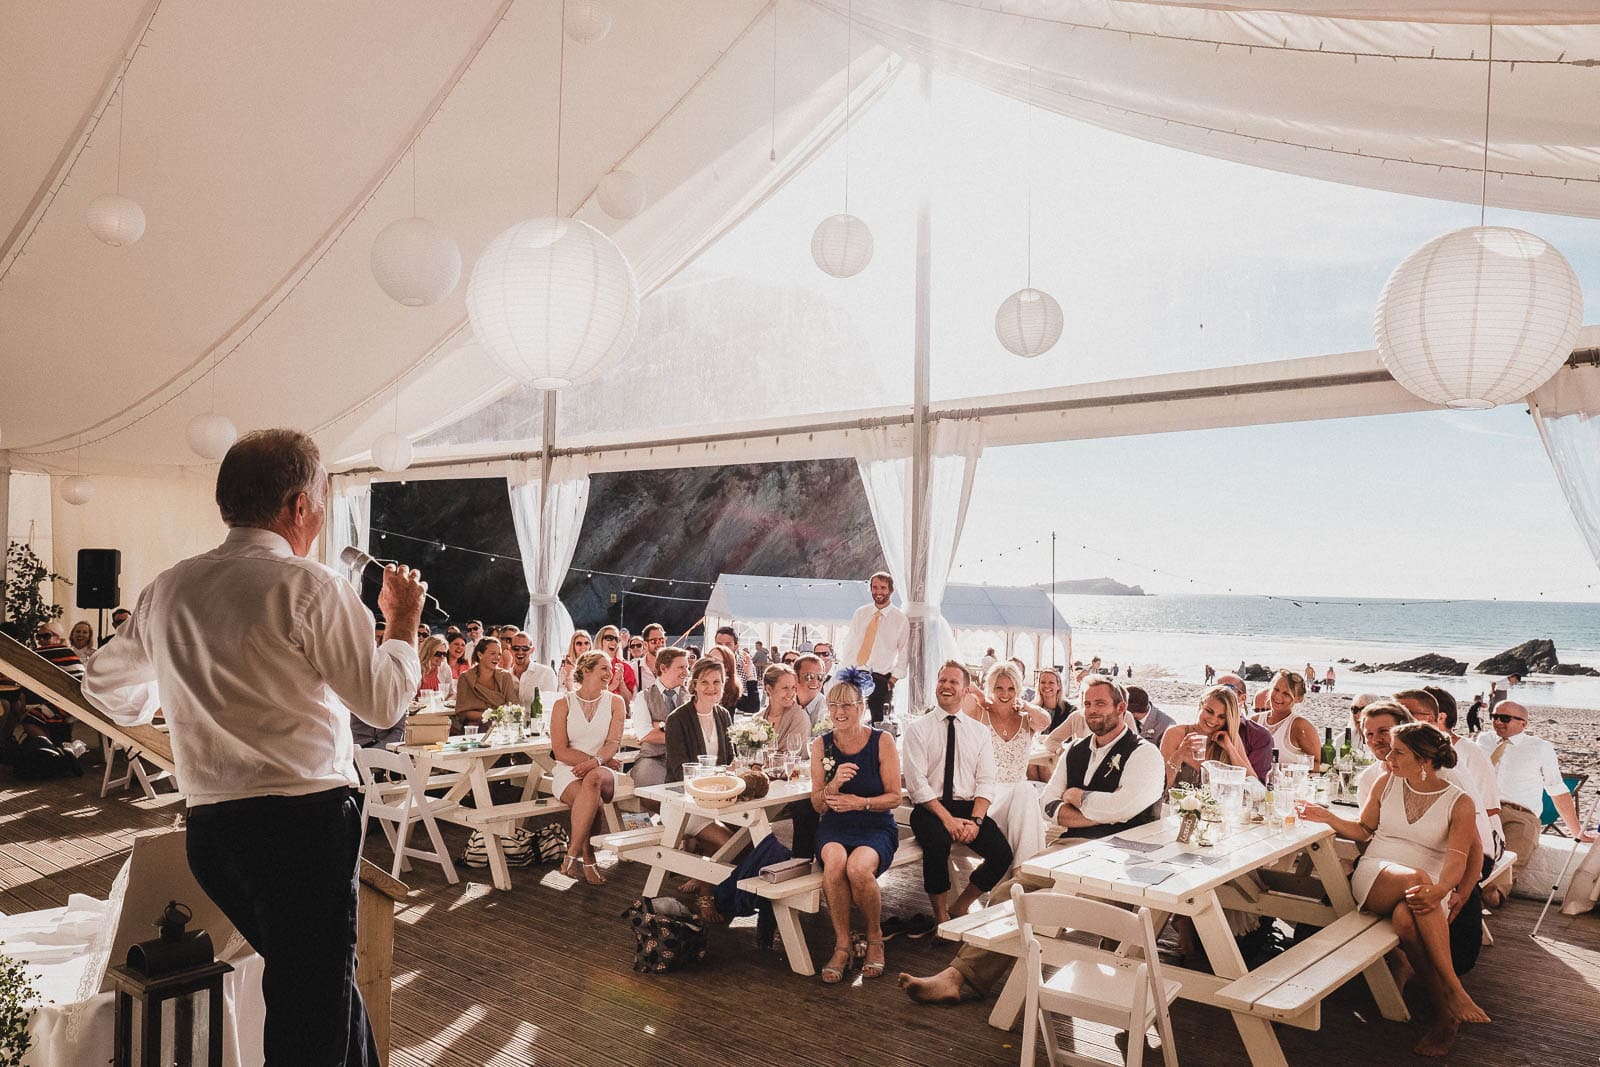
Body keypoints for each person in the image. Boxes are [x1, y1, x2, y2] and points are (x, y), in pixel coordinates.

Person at [82, 428, 424, 1065]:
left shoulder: (172, 587)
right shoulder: (312, 587)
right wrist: (403, 623)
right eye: (323, 497)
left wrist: (173, 698)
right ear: (299, 506)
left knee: (320, 984)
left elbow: (101, 681)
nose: (322, 513)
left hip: (213, 830)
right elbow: (381, 704)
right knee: (310, 1003)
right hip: (306, 825)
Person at [899, 677, 1163, 1008]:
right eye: (1088, 704)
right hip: (1071, 846)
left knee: (1044, 903)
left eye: (1101, 704)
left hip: (1125, 855)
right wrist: (1096, 812)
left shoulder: (1144, 754)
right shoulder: (1076, 751)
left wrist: (1079, 798)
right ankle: (957, 977)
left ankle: (970, 976)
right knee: (1013, 888)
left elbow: (1125, 808)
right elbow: (1049, 806)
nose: (1093, 711)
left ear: (1121, 708)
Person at [1299, 723, 1490, 1057]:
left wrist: (1443, 888)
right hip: (1377, 874)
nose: (1388, 756)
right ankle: (1454, 991)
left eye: (1397, 751)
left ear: (1423, 760)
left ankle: (1444, 1013)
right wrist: (1327, 816)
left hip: (1430, 883)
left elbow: (1457, 859)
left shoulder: (1459, 803)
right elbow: (1362, 830)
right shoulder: (1387, 783)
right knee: (1416, 880)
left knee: (1406, 920)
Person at [811, 668, 902, 983]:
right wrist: (834, 784)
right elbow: (818, 805)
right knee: (835, 863)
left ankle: (875, 938)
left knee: (858, 869)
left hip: (875, 824)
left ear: (862, 707)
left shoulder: (882, 741)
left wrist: (861, 802)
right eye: (834, 705)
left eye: (847, 705)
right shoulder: (822, 746)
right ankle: (843, 944)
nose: (839, 712)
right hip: (835, 825)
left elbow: (895, 798)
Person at [903, 661, 1012, 924]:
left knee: (1002, 854)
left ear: (965, 691)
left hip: (968, 808)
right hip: (931, 808)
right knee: (938, 843)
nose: (946, 686)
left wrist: (975, 821)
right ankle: (941, 917)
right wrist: (947, 820)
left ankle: (960, 908)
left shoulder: (979, 732)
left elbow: (987, 781)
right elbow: (917, 784)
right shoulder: (918, 729)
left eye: (954, 682)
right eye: (942, 681)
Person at [1477, 699, 1595, 894]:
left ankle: (1493, 894)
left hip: (1520, 815)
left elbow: (1556, 789)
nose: (1497, 722)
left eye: (1504, 718)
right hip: (1483, 810)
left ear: (1523, 723)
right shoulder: (1484, 740)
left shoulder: (1540, 747)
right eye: (1494, 716)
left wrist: (1577, 832)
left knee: (1506, 868)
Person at [550, 650, 625, 886]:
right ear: (585, 670)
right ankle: (588, 857)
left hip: (602, 769)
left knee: (592, 780)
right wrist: (596, 758)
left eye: (610, 668)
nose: (609, 672)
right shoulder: (563, 703)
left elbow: (613, 742)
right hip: (567, 770)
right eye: (603, 668)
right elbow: (560, 750)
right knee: (592, 801)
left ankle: (572, 852)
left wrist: (598, 761)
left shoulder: (616, 702)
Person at [966, 662, 1049, 868]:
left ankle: (1024, 874)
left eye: (1011, 688)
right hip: (987, 797)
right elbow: (962, 684)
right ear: (991, 688)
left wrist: (1026, 705)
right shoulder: (979, 713)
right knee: (1025, 794)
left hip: (1018, 798)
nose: (1005, 693)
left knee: (1025, 792)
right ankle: (1017, 874)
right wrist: (980, 694)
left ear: (1018, 690)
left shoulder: (1026, 719)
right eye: (999, 688)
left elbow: (1045, 721)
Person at [842, 571, 909, 724]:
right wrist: (846, 670)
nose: (878, 592)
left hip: (881, 679)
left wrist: (892, 680)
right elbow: (850, 643)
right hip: (855, 675)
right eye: (875, 587)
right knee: (850, 719)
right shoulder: (861, 613)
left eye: (883, 588)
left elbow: (904, 652)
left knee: (878, 724)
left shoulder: (900, 619)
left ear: (891, 590)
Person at [1161, 685, 1260, 787]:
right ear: (1201, 705)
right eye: (1209, 711)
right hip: (1176, 802)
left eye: (1221, 717)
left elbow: (1253, 783)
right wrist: (1179, 754)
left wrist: (1230, 749)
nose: (1213, 720)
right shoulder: (1174, 734)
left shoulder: (1230, 739)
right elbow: (1160, 787)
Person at [664, 656, 734, 780]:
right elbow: (680, 770)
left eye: (716, 682)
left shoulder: (724, 715)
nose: (711, 688)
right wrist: (719, 773)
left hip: (720, 788)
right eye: (704, 682)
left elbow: (731, 758)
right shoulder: (676, 720)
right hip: (684, 791)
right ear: (695, 685)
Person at [627, 646, 688, 788]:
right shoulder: (644, 697)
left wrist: (660, 726)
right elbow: (645, 734)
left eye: (687, 667)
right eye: (681, 667)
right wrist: (684, 736)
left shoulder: (691, 697)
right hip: (653, 759)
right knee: (656, 793)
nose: (686, 672)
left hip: (685, 760)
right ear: (663, 668)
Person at [1214, 673, 1275, 780]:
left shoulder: (1259, 736)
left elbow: (1258, 787)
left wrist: (1231, 749)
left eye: (1227, 689)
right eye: (1214, 689)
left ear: (1242, 698)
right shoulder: (1203, 727)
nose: (1219, 694)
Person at [452, 637, 519, 733]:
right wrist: (490, 715)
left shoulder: (505, 676)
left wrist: (499, 717)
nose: (497, 658)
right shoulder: (466, 677)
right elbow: (462, 711)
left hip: (503, 727)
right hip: (474, 728)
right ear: (480, 654)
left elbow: (513, 705)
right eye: (492, 653)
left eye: (499, 654)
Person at [1254, 669, 1320, 768]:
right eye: (1276, 689)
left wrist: (1288, 772)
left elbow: (1318, 763)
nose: (1278, 696)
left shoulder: (1300, 726)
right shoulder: (1254, 720)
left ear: (1298, 699)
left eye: (1286, 694)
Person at [757, 663, 813, 756]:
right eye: (785, 688)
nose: (791, 693)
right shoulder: (758, 718)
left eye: (793, 688)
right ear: (769, 689)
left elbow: (794, 757)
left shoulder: (799, 717)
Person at [713, 625, 758, 712]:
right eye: (719, 644)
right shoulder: (708, 662)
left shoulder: (745, 663)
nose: (723, 648)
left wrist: (749, 675)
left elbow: (753, 706)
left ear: (736, 646)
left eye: (728, 644)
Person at [508, 631, 558, 707]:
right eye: (516, 648)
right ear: (510, 650)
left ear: (532, 650)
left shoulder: (546, 673)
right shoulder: (506, 675)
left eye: (525, 648)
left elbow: (549, 706)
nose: (520, 652)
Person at [794, 653, 829, 727]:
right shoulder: (785, 704)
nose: (815, 682)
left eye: (820, 677)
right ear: (795, 678)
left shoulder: (829, 710)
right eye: (809, 676)